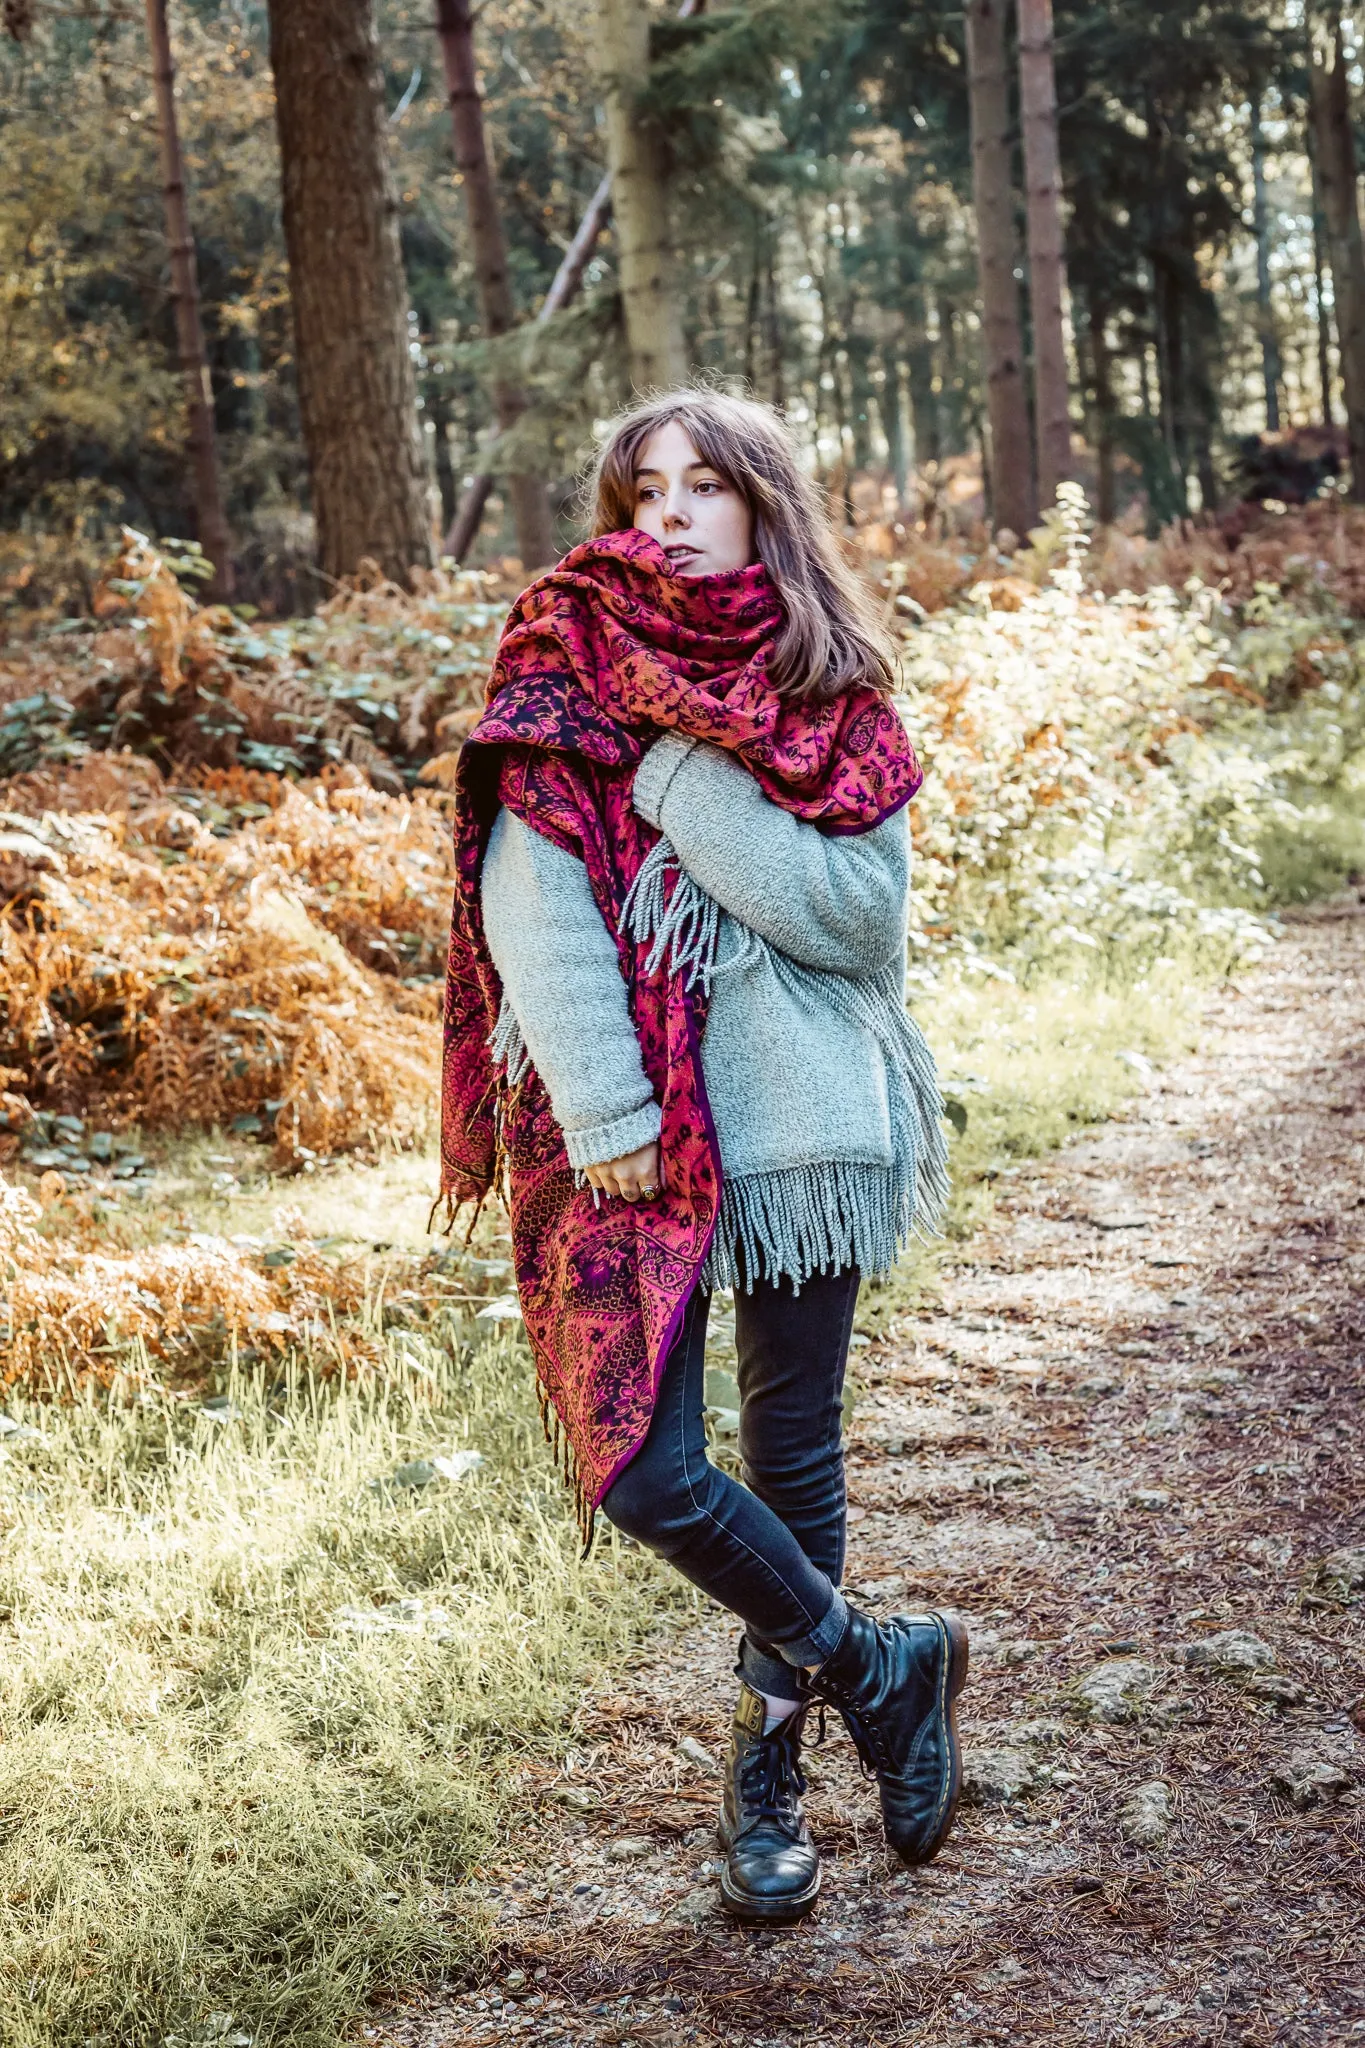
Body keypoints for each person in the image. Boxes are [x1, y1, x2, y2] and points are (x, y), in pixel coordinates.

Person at [440, 389, 967, 1926]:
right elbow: (528, 904)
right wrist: (605, 1112)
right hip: (631, 1138)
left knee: (792, 1446)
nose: (665, 512)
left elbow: (856, 922)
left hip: (805, 1117)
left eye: (702, 485)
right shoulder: (563, 653)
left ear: (763, 506)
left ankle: (769, 1775)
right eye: (640, 486)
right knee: (648, 1469)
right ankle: (883, 1663)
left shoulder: (833, 687)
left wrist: (675, 770)